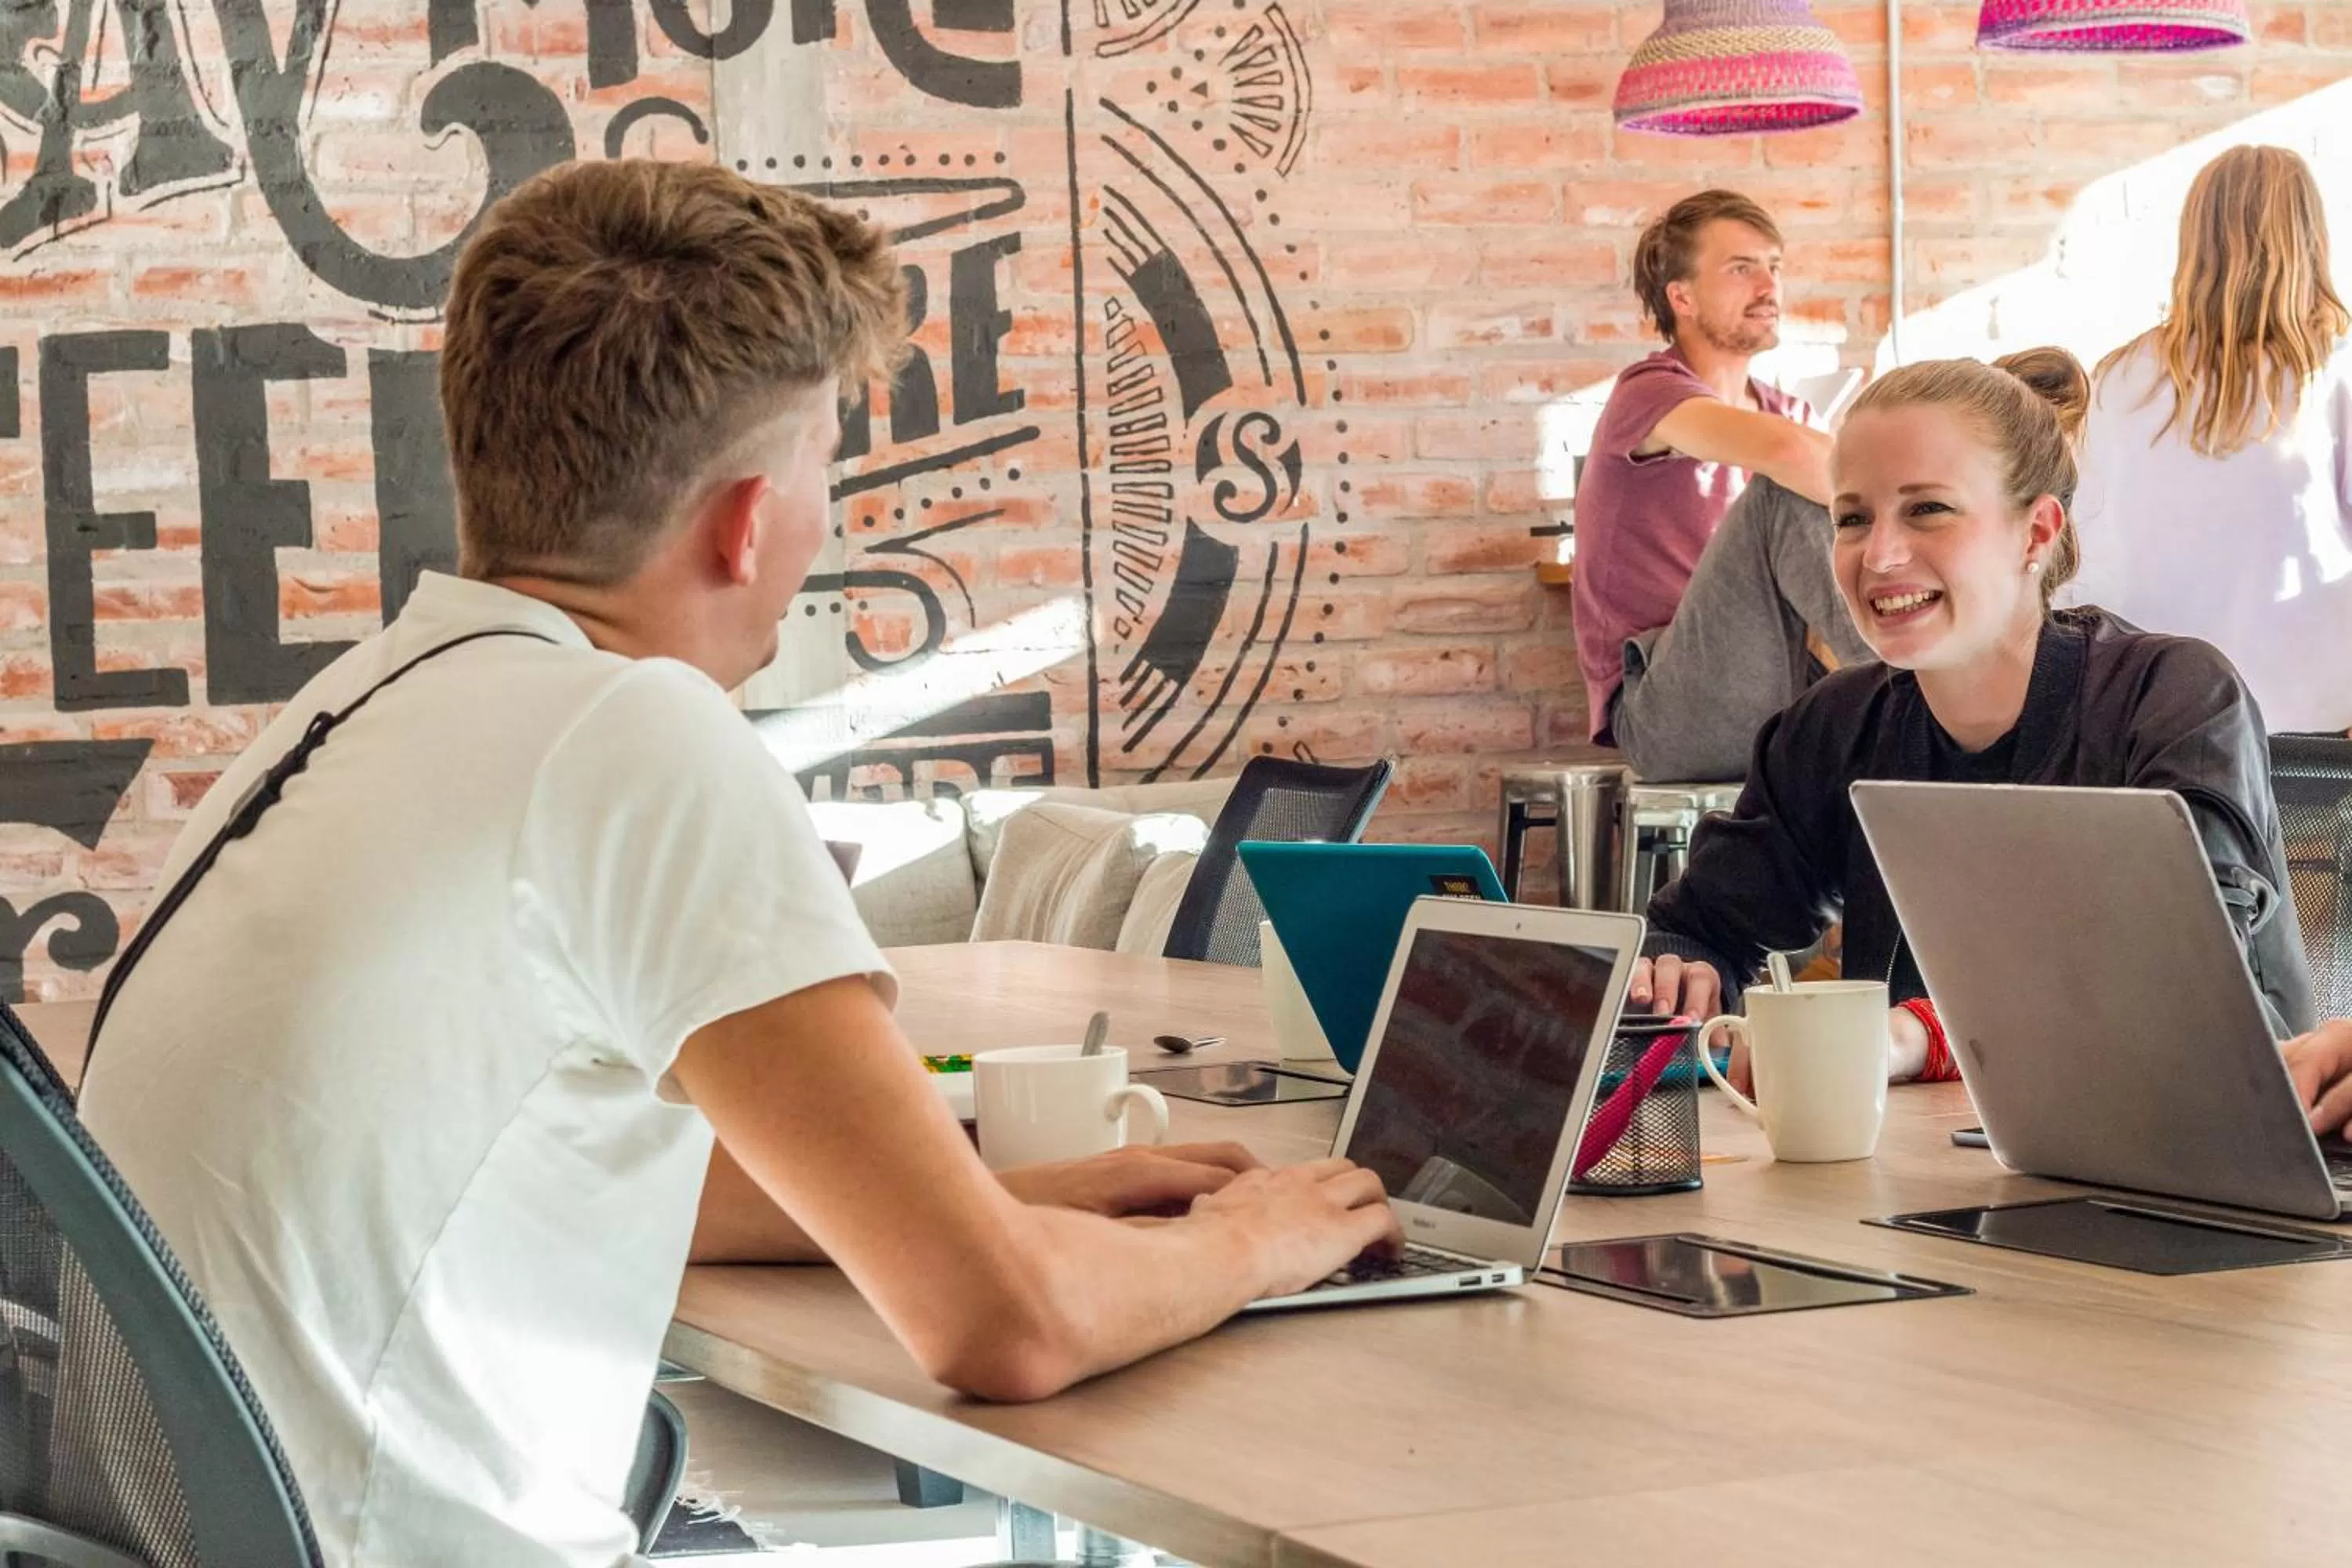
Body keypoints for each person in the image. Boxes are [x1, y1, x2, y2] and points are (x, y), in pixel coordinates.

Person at [75, 161, 1399, 1568]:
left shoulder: (363, 707)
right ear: (750, 520)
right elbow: (1007, 1331)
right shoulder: (635, 735)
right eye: (830, 462)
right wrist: (1257, 1240)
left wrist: (992, 1197)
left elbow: (611, 1171)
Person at [1626, 348, 2320, 1094]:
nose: (1881, 554)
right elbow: (1703, 925)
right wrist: (1682, 968)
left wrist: (1917, 1035)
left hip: (2200, 1141)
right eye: (1853, 518)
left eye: (1929, 509)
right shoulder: (1834, 726)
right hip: (1927, 1166)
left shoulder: (2173, 697)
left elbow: (2179, 979)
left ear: (2037, 533)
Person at [1571, 188, 1874, 783]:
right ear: (1680, 296)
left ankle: (1918, 692)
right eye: (1742, 269)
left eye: (1775, 267)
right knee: (1783, 490)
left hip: (1775, 685)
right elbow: (1792, 456)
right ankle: (1923, 696)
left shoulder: (1788, 413)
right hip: (1667, 710)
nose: (1769, 288)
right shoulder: (1650, 393)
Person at [2067, 143, 2352, 736]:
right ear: (2311, 239)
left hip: (2152, 713)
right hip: (2309, 723)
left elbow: (2081, 563)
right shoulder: (2335, 368)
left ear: (2195, 242)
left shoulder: (2120, 376)